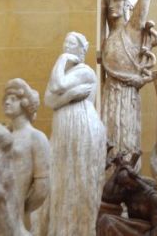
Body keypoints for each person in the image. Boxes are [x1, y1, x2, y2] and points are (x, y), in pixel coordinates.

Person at [100, 0, 157, 162]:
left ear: (128, 8)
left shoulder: (133, 29)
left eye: (117, 2)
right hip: (109, 92)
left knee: (125, 139)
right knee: (108, 138)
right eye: (112, 2)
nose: (111, 4)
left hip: (126, 94)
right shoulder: (110, 32)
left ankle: (126, 184)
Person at [44, 32, 107, 236]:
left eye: (71, 43)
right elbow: (49, 100)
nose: (66, 47)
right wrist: (69, 96)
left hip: (80, 126)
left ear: (82, 49)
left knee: (78, 175)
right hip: (64, 126)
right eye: (64, 43)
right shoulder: (63, 71)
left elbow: (57, 86)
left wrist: (61, 62)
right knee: (61, 177)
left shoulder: (85, 71)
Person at [2, 78, 51, 232]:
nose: (7, 102)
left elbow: (42, 188)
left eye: (13, 99)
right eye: (6, 99)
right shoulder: (2, 135)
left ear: (24, 103)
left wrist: (22, 206)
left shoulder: (36, 137)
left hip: (17, 212)